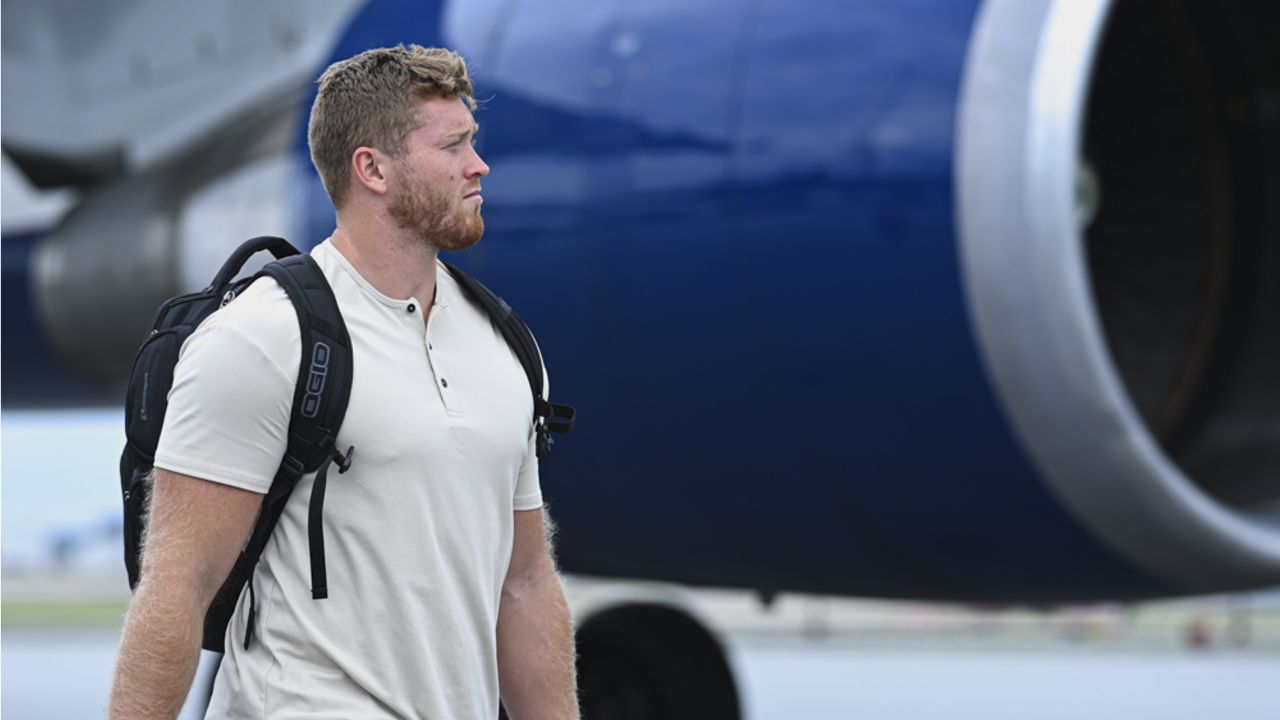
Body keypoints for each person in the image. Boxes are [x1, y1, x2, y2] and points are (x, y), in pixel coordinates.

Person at [108, 45, 579, 719]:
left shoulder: (505, 344)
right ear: (373, 169)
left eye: (473, 142)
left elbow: (526, 585)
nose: (479, 166)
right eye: (453, 146)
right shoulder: (262, 338)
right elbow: (177, 587)